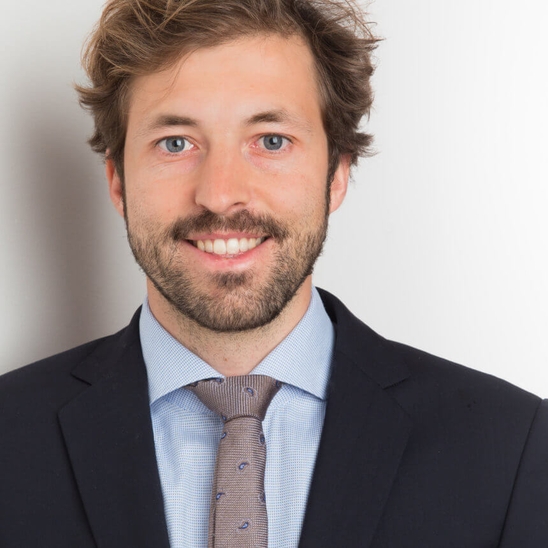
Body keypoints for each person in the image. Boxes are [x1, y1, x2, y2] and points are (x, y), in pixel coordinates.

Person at [1, 0, 547, 546]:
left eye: (271, 140)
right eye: (176, 143)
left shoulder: (511, 447)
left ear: (336, 173)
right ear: (118, 182)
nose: (220, 195)